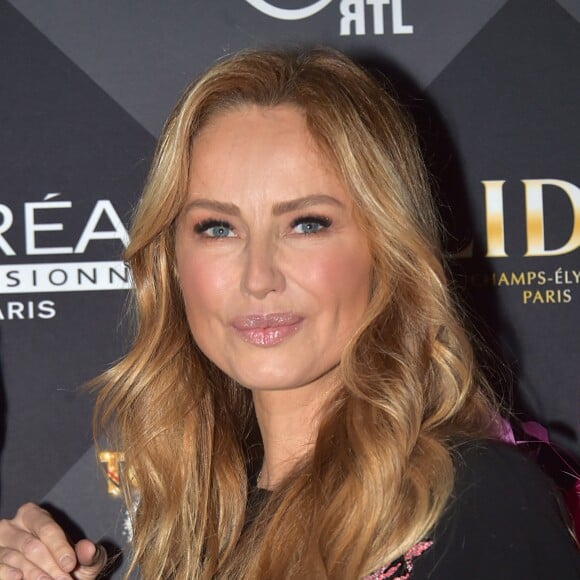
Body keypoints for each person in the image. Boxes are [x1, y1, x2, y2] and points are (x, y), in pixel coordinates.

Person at [0, 48, 578, 580]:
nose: (258, 277)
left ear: (387, 249)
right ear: (172, 262)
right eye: (217, 228)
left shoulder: (472, 501)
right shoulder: (201, 533)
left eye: (307, 224)